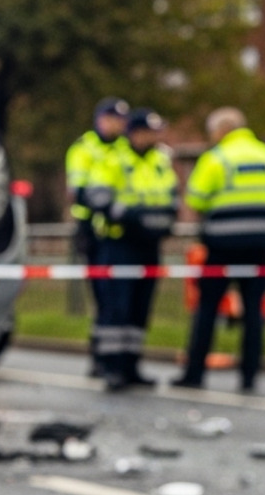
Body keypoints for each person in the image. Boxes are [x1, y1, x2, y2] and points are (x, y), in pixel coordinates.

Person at [174, 107, 265, 391]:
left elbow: (196, 199)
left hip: (221, 246)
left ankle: (195, 373)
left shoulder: (216, 158)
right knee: (254, 312)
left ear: (221, 130)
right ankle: (249, 376)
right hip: (260, 245)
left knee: (207, 308)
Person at [84, 108, 178, 389]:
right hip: (119, 243)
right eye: (149, 132)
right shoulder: (113, 159)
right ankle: (112, 367)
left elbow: (172, 198)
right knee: (117, 306)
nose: (154, 137)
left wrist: (155, 219)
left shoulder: (161, 160)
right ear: (135, 133)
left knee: (140, 306)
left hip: (149, 243)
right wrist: (133, 216)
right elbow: (97, 198)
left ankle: (132, 365)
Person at [66, 97, 130, 376]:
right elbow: (79, 191)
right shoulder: (85, 148)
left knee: (119, 298)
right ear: (100, 119)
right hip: (90, 229)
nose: (117, 125)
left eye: (121, 120)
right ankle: (99, 357)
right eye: (112, 119)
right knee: (102, 296)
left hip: (119, 231)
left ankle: (117, 359)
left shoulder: (125, 149)